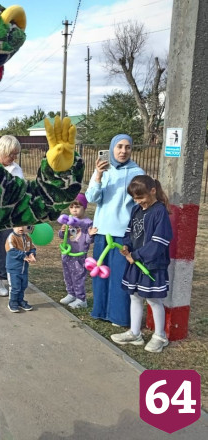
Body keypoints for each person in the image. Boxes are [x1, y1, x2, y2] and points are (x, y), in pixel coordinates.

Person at [85, 134, 144, 327]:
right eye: (119, 146)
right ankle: (100, 310)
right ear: (111, 148)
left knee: (120, 276)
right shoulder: (103, 169)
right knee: (101, 273)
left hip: (123, 233)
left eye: (127, 147)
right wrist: (99, 176)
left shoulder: (137, 172)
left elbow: (139, 203)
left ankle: (118, 316)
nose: (123, 151)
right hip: (102, 231)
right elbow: (92, 197)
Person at [111, 176, 172, 353]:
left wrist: (136, 256)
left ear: (152, 191)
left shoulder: (160, 211)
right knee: (135, 296)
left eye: (141, 198)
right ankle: (135, 333)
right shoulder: (136, 210)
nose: (138, 202)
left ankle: (160, 336)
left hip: (151, 264)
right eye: (135, 199)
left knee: (153, 299)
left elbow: (160, 241)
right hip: (135, 262)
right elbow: (130, 232)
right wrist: (126, 245)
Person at [0, 135, 24, 297]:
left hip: (7, 217)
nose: (14, 158)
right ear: (2, 151)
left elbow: (21, 194)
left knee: (5, 248)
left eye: (16, 154)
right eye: (11, 154)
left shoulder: (17, 169)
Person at [58, 193, 94, 309]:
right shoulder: (68, 220)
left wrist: (90, 234)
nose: (74, 210)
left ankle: (81, 299)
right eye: (72, 207)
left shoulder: (88, 222)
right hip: (67, 253)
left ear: (84, 207)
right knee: (67, 275)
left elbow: (88, 240)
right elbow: (61, 236)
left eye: (77, 207)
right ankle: (71, 294)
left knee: (78, 276)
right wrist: (63, 230)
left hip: (79, 255)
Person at [5, 225, 36, 313]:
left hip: (24, 268)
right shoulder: (12, 237)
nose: (21, 229)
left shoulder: (27, 237)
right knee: (15, 287)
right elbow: (11, 250)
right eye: (18, 226)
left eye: (23, 226)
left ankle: (20, 300)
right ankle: (12, 302)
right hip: (13, 268)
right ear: (13, 227)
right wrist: (24, 256)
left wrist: (32, 254)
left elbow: (32, 248)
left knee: (23, 286)